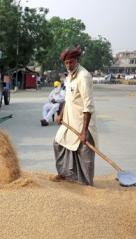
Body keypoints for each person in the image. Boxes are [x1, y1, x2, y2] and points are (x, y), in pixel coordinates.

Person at [52, 46, 97, 185]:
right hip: (68, 121)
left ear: (77, 60)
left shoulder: (84, 76)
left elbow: (88, 106)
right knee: (58, 144)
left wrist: (84, 131)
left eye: (71, 62)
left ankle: (87, 184)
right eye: (66, 63)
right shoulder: (69, 77)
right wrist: (60, 115)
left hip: (83, 123)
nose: (69, 65)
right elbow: (68, 98)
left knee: (85, 155)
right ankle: (65, 175)